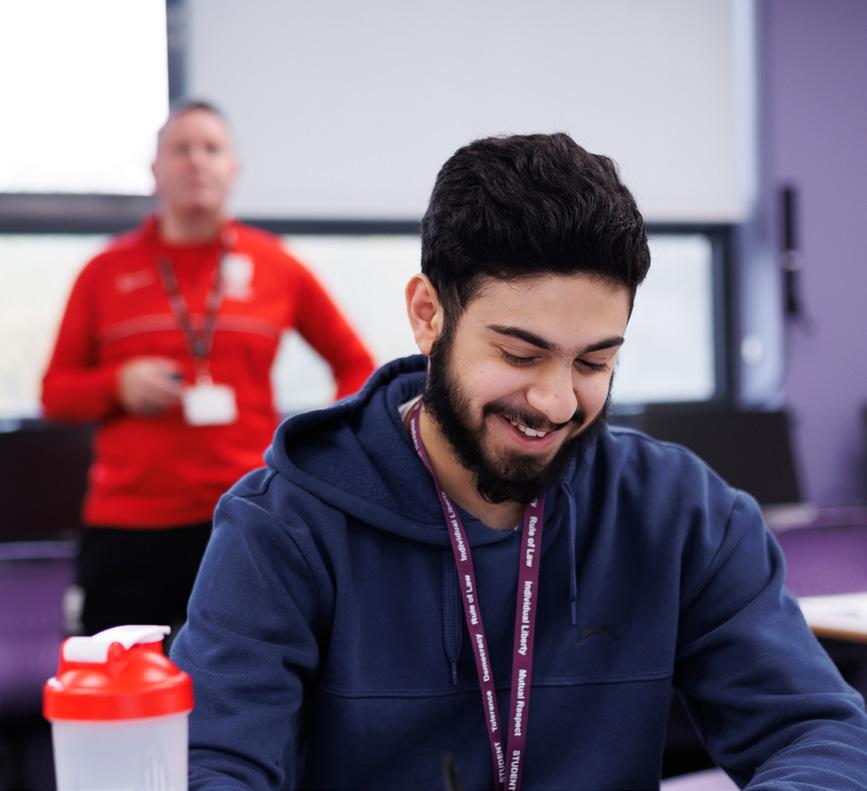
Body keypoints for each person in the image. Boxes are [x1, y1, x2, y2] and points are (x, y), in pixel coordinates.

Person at [171, 133, 867, 790]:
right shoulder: (283, 527)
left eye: (594, 362)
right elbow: (209, 763)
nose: (555, 401)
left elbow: (817, 731)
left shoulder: (682, 514)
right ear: (428, 315)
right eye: (519, 354)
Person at [41, 100, 375, 637]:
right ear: (156, 171)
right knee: (120, 681)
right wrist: (118, 384)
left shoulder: (276, 264)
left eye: (211, 148)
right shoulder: (103, 270)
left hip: (248, 511)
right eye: (181, 149)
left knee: (250, 674)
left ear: (233, 168)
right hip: (129, 525)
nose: (196, 161)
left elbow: (355, 364)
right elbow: (55, 394)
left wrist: (318, 447)